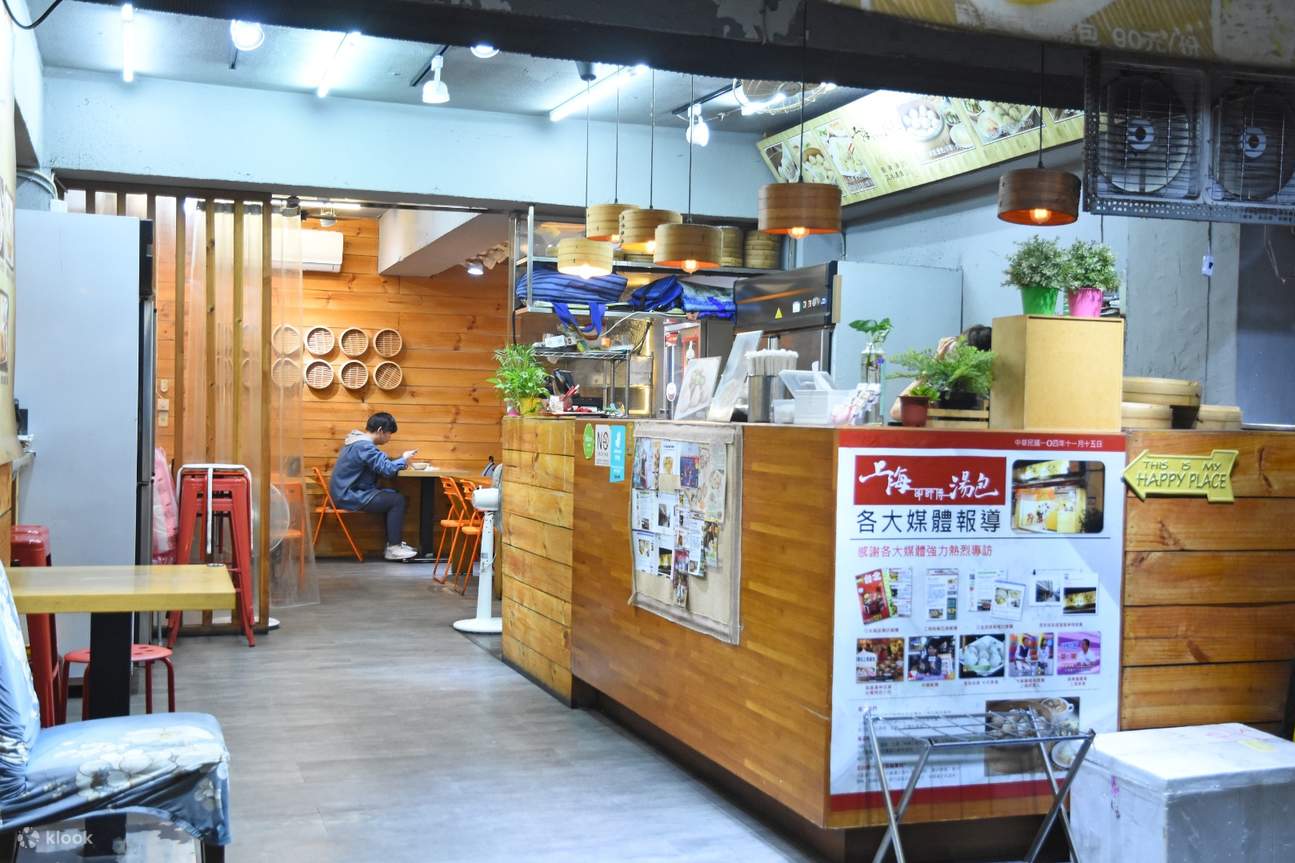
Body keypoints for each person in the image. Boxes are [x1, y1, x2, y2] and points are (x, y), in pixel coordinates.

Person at [329, 412, 419, 561]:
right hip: (348, 495)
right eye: (389, 433)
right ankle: (394, 548)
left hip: (344, 493)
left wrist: (400, 460)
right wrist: (403, 459)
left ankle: (393, 543)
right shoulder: (365, 446)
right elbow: (387, 469)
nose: (389, 438)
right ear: (380, 431)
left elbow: (381, 464)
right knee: (397, 500)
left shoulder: (357, 443)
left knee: (392, 495)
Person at [889, 324, 992, 421]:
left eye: (957, 351)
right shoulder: (945, 387)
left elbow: (897, 411)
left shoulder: (955, 392)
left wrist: (932, 365)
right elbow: (896, 411)